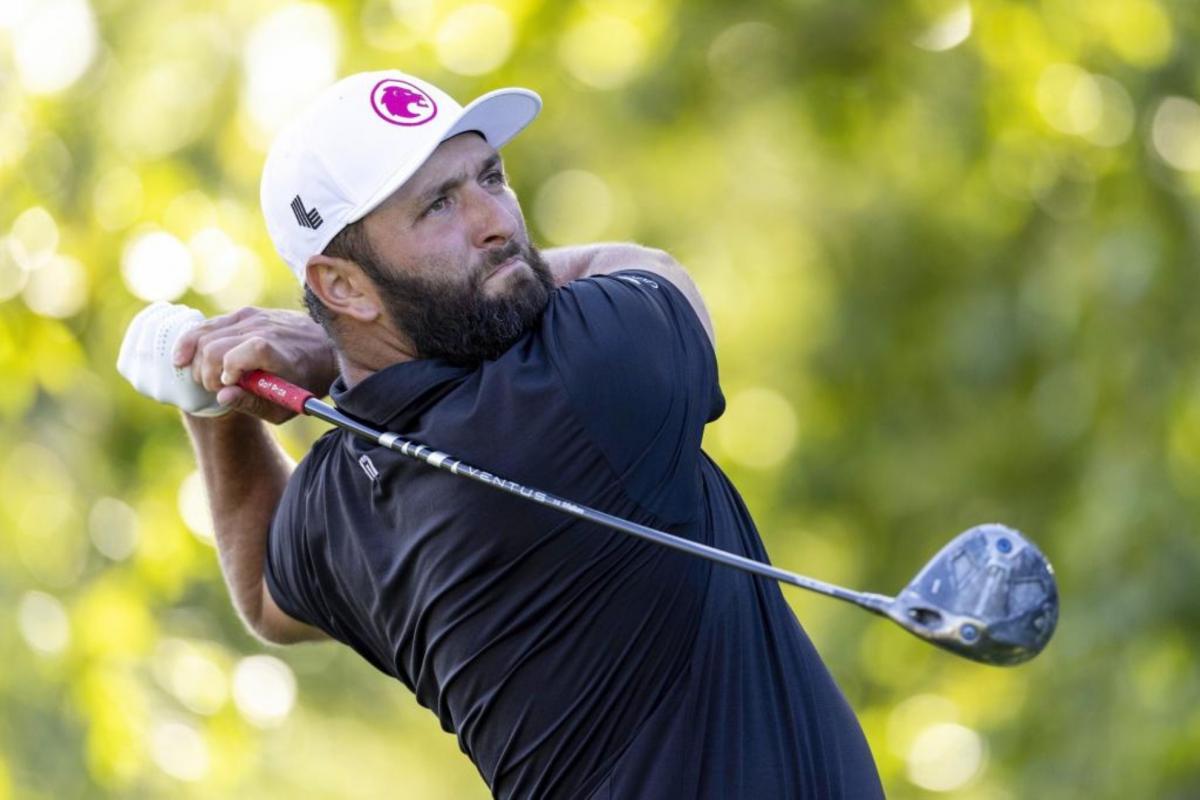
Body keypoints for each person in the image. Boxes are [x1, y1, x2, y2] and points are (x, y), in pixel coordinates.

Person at [118, 71, 883, 799]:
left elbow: (263, 594)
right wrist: (325, 352)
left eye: (490, 177)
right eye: (438, 207)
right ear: (341, 286)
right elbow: (652, 270)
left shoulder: (339, 500)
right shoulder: (582, 379)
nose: (496, 224)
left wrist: (209, 399)